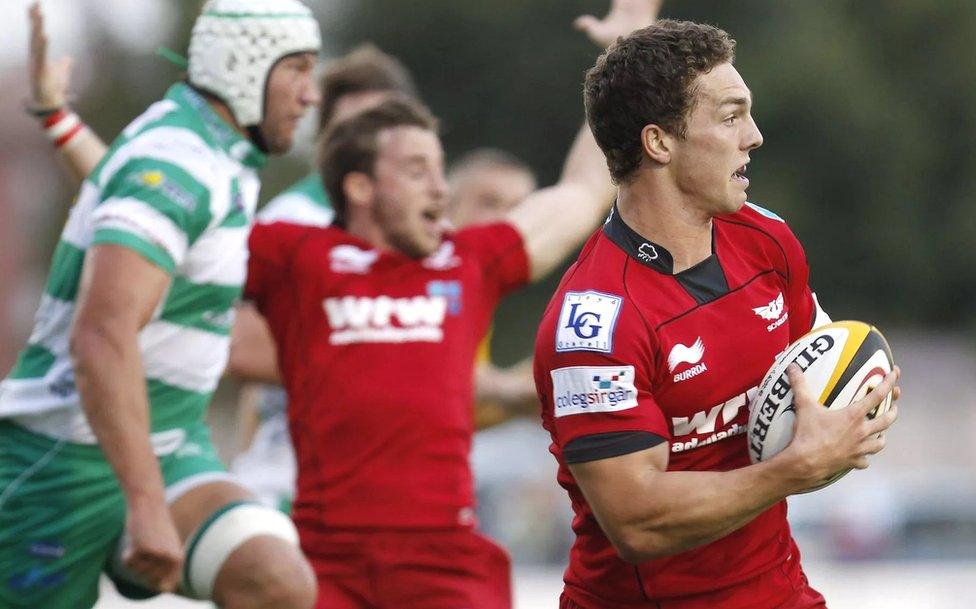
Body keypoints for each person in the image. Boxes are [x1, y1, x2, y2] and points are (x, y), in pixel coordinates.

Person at [233, 3, 663, 606]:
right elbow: (167, 237)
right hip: (323, 563)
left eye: (440, 169)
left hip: (446, 564)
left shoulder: (468, 260)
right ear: (358, 187)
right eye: (416, 170)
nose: (441, 188)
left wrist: (621, 60)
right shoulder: (297, 256)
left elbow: (581, 192)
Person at [532, 19, 902, 609]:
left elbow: (823, 364)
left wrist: (856, 408)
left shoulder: (767, 239)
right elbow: (636, 524)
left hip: (779, 591)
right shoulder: (593, 326)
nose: (753, 137)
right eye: (731, 117)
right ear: (660, 143)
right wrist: (794, 470)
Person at [0, 2, 322, 607]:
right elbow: (101, 332)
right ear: (243, 67)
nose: (311, 96)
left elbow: (153, 215)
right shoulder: (179, 156)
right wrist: (145, 506)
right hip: (60, 459)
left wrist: (60, 122)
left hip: (169, 447)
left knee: (274, 579)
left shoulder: (213, 153)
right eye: (298, 69)